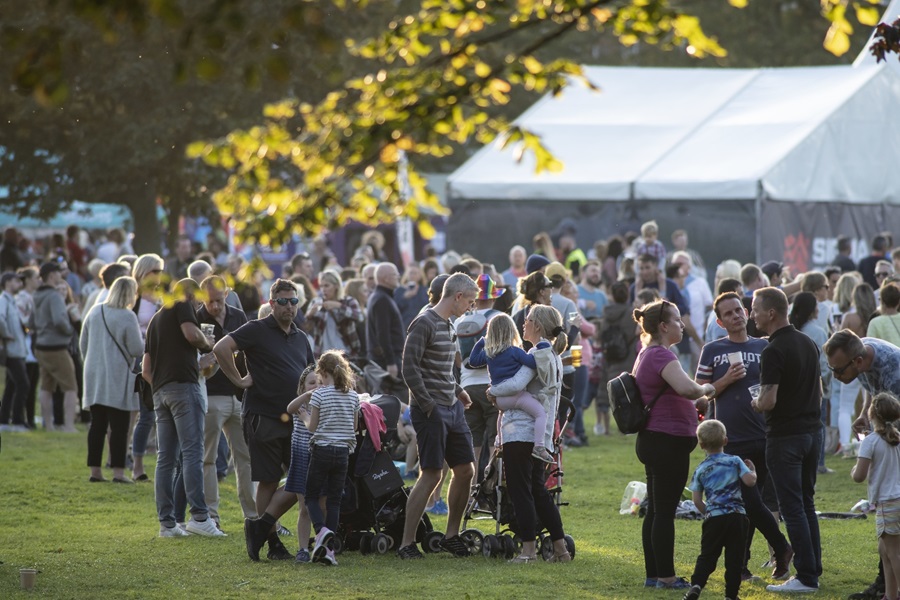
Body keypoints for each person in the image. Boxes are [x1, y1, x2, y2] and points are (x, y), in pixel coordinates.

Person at [695, 292, 793, 581]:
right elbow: (700, 397)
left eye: (739, 310)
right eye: (729, 313)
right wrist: (725, 381)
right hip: (729, 438)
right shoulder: (713, 350)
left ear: (747, 313)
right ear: (719, 321)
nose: (736, 315)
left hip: (764, 434)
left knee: (752, 503)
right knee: (746, 503)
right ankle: (779, 548)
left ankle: (743, 566)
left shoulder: (764, 346)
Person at [216, 279, 315, 560]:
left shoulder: (300, 336)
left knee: (301, 480)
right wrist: (239, 380)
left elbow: (310, 372)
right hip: (263, 415)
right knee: (269, 480)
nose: (289, 307)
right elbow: (222, 348)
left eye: (293, 301)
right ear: (271, 304)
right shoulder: (256, 329)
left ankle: (259, 528)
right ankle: (272, 544)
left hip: (295, 418)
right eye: (282, 301)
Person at [632, 298, 715, 590]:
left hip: (656, 439)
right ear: (664, 326)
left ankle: (654, 574)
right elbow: (688, 388)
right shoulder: (661, 356)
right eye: (678, 320)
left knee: (656, 509)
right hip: (667, 441)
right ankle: (666, 576)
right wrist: (708, 387)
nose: (682, 324)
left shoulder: (648, 353)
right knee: (664, 511)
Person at [396, 273, 480, 559]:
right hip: (430, 409)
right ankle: (406, 543)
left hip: (452, 407)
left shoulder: (448, 324)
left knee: (466, 470)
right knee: (432, 473)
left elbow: (441, 369)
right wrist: (429, 406)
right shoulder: (423, 322)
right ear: (456, 296)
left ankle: (451, 535)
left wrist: (458, 391)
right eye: (469, 301)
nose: (470, 307)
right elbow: (410, 369)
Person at [750, 287, 822, 594]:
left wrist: (753, 402)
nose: (751, 314)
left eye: (754, 309)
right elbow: (819, 392)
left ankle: (805, 577)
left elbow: (768, 399)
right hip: (812, 433)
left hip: (785, 437)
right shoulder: (808, 342)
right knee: (806, 504)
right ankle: (813, 569)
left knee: (792, 507)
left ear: (771, 313)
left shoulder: (772, 350)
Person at [142, 278, 223, 538]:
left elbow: (146, 370)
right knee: (192, 453)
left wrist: (163, 386)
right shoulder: (182, 303)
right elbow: (190, 333)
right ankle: (200, 516)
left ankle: (167, 524)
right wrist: (207, 344)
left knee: (165, 458)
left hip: (160, 392)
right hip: (184, 389)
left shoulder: (154, 320)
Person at [823, 329, 900, 600]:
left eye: (837, 370)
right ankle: (886, 589)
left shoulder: (893, 369)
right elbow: (871, 390)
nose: (835, 376)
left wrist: (874, 442)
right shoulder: (860, 352)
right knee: (886, 541)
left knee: (892, 542)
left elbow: (894, 414)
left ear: (857, 362)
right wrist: (864, 415)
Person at [495, 303, 572, 563]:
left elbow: (516, 385)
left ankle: (528, 551)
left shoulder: (536, 354)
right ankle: (560, 549)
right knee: (538, 491)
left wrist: (493, 391)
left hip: (521, 431)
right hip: (541, 433)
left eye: (527, 319)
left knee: (520, 491)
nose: (523, 323)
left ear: (537, 325)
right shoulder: (554, 355)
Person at [287, 350, 360, 566]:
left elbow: (312, 426)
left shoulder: (320, 395)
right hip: (343, 454)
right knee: (334, 501)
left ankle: (321, 531)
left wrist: (304, 415)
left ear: (323, 372)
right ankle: (329, 551)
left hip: (322, 452)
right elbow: (354, 427)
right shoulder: (353, 395)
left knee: (310, 497)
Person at [196, 275, 256, 528]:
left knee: (245, 458)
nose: (215, 306)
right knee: (208, 458)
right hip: (210, 395)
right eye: (210, 302)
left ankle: (253, 517)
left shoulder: (238, 316)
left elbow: (248, 352)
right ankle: (212, 516)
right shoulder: (197, 319)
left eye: (219, 300)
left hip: (238, 396)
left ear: (227, 294)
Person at [683, 419, 756, 600]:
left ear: (701, 444)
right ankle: (731, 596)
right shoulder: (735, 461)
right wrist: (752, 470)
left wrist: (710, 512)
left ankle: (696, 585)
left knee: (707, 556)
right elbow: (750, 482)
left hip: (714, 519)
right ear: (725, 441)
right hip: (737, 518)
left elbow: (697, 501)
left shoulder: (700, 469)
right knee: (734, 560)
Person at [80, 277, 143, 483]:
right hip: (117, 375)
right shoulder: (127, 316)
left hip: (94, 373)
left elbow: (83, 343)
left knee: (97, 425)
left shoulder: (95, 311)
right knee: (119, 426)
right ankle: (118, 472)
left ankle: (95, 472)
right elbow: (135, 348)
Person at [468, 314, 553, 463]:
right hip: (516, 396)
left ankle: (499, 442)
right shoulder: (514, 351)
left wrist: (481, 342)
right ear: (512, 331)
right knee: (540, 413)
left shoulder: (489, 353)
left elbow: (473, 361)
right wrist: (543, 347)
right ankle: (539, 446)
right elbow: (533, 363)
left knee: (501, 414)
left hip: (500, 400)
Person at [851, 392, 900, 600]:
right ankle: (890, 595)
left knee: (894, 553)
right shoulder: (896, 438)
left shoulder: (870, 441)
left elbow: (859, 476)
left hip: (886, 503)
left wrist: (854, 469)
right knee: (884, 550)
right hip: (897, 500)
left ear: (871, 415)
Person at [30, 261, 79, 432]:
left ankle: (49, 426)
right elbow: (59, 320)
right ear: (51, 275)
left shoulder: (36, 295)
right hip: (56, 347)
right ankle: (69, 426)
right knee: (71, 386)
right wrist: (69, 330)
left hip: (41, 345)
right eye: (58, 273)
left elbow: (30, 322)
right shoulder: (54, 296)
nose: (61, 275)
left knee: (46, 386)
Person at [284, 365, 325, 563]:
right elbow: (289, 408)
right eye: (311, 383)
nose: (316, 386)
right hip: (302, 458)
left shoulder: (326, 404)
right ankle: (302, 549)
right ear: (302, 387)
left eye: (320, 382)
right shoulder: (300, 405)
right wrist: (307, 396)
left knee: (322, 505)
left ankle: (321, 545)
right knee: (305, 507)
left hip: (322, 458)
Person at [304, 269, 363, 358]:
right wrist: (310, 314)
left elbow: (359, 316)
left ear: (336, 286)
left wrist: (339, 306)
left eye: (327, 286)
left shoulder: (348, 301)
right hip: (322, 353)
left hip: (346, 352)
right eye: (321, 286)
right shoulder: (317, 302)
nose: (323, 290)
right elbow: (305, 327)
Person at [0, 272, 29, 430]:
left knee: (11, 386)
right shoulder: (3, 300)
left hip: (18, 349)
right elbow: (0, 318)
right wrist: (6, 333)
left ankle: (4, 419)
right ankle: (17, 420)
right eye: (15, 281)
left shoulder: (11, 302)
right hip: (12, 351)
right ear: (7, 283)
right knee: (23, 384)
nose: (18, 284)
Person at [366, 263, 405, 378]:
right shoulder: (381, 299)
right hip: (386, 362)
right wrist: (390, 362)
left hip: (386, 359)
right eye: (395, 274)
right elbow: (383, 334)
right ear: (386, 278)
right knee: (392, 395)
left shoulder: (381, 297)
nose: (398, 276)